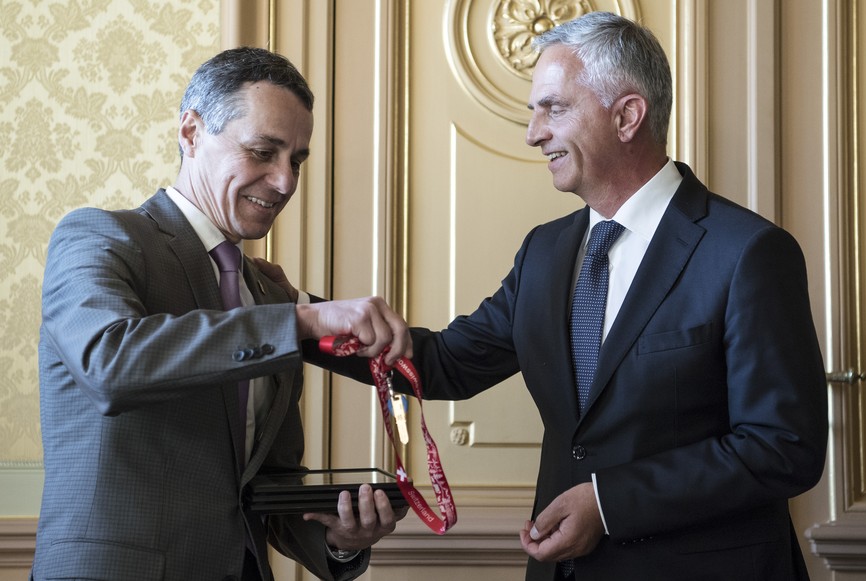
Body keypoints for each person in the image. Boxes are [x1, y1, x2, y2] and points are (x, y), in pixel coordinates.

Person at [293, 11, 829, 581]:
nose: (534, 133)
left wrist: (608, 503)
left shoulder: (748, 251)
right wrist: (301, 321)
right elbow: (446, 365)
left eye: (554, 108)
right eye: (534, 112)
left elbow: (782, 447)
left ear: (626, 116)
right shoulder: (545, 252)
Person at [33, 47, 410, 581]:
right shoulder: (99, 236)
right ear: (191, 132)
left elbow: (267, 486)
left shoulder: (270, 298)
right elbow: (109, 363)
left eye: (296, 160)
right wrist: (301, 322)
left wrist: (342, 541)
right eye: (263, 151)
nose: (285, 183)